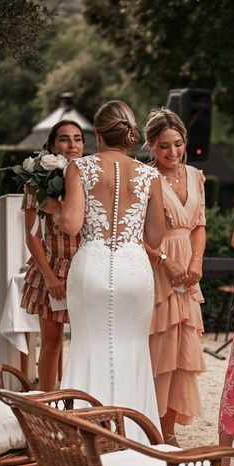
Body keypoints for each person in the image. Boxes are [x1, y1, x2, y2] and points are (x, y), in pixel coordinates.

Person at [50, 100, 166, 443]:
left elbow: (71, 224)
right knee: (132, 350)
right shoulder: (149, 174)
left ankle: (83, 437)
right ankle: (135, 438)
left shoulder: (80, 168)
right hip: (134, 269)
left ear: (97, 133)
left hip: (92, 268)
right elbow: (155, 237)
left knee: (88, 347)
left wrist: (52, 207)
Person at [143, 108, 207, 447]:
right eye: (164, 146)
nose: (172, 153)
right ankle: (149, 426)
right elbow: (135, 232)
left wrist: (196, 263)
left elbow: (199, 225)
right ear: (151, 146)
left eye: (178, 144)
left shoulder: (197, 176)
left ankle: (168, 431)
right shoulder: (144, 178)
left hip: (188, 274)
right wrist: (164, 260)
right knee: (159, 350)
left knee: (183, 352)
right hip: (157, 271)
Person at [20, 120, 83, 391]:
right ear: (52, 145)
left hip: (86, 267)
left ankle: (81, 402)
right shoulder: (37, 183)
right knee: (52, 342)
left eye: (78, 139)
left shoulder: (92, 178)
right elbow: (32, 234)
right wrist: (49, 276)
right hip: (53, 266)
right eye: (65, 139)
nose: (72, 145)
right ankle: (47, 402)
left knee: (86, 343)